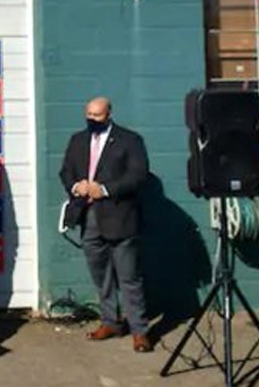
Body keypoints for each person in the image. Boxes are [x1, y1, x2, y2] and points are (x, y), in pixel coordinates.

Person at [59, 97, 152, 353]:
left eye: (97, 115)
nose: (92, 119)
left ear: (109, 114)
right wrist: (75, 186)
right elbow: (65, 171)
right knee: (101, 276)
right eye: (88, 114)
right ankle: (111, 322)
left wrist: (105, 189)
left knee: (129, 277)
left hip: (119, 217)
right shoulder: (78, 140)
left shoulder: (129, 140)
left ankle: (140, 331)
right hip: (88, 218)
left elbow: (138, 174)